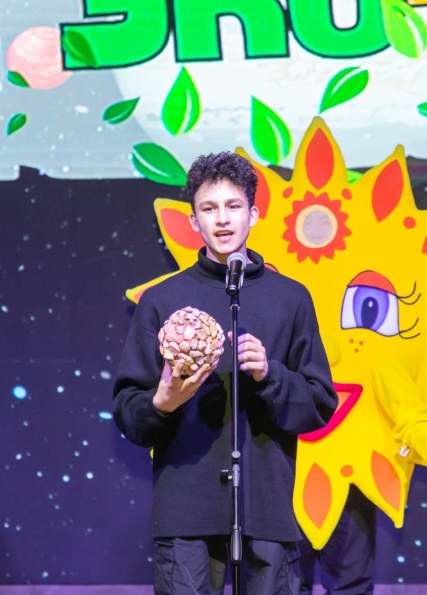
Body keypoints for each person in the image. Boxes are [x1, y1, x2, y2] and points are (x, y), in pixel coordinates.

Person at [113, 151, 338, 595]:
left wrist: (270, 374)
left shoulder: (290, 298)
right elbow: (128, 411)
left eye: (233, 206)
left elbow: (318, 404)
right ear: (193, 221)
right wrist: (163, 402)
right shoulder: (161, 300)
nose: (221, 219)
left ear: (253, 214)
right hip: (186, 509)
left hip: (266, 505)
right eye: (208, 208)